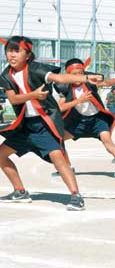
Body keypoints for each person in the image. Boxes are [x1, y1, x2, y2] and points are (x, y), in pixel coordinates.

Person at [0, 35, 101, 210]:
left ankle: (76, 196)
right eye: (9, 50)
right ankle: (20, 191)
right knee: (1, 156)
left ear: (28, 55)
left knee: (58, 159)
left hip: (44, 124)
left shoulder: (36, 69)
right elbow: (14, 99)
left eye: (17, 51)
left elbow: (60, 78)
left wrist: (85, 79)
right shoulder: (6, 74)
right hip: (24, 127)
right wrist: (33, 95)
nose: (12, 55)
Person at [54, 58, 115, 181]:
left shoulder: (89, 81)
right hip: (77, 121)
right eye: (74, 74)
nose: (78, 77)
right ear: (68, 75)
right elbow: (60, 108)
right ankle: (68, 167)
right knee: (57, 140)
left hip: (97, 119)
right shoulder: (64, 86)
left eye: (80, 74)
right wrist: (78, 101)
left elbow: (107, 83)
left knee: (108, 142)